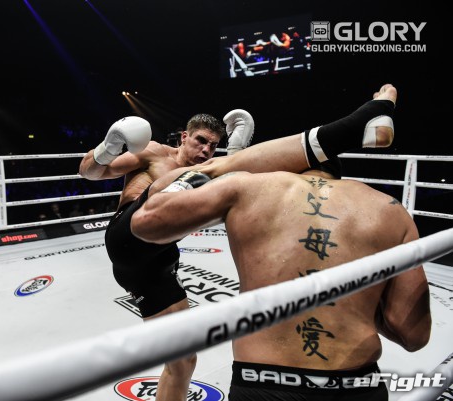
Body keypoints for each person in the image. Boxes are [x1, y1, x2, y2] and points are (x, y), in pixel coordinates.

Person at [79, 84, 396, 400]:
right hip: (127, 238)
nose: (206, 149)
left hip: (158, 263)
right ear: (184, 136)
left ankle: (253, 154)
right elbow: (90, 172)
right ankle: (349, 129)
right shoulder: (154, 153)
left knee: (182, 362)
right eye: (201, 140)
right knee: (211, 177)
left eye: (213, 145)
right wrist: (108, 146)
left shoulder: (207, 176)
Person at [130, 159, 431, 401]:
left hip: (261, 380)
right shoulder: (389, 209)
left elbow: (147, 220)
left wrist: (210, 169)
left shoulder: (249, 186)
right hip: (357, 383)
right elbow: (414, 335)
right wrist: (358, 299)